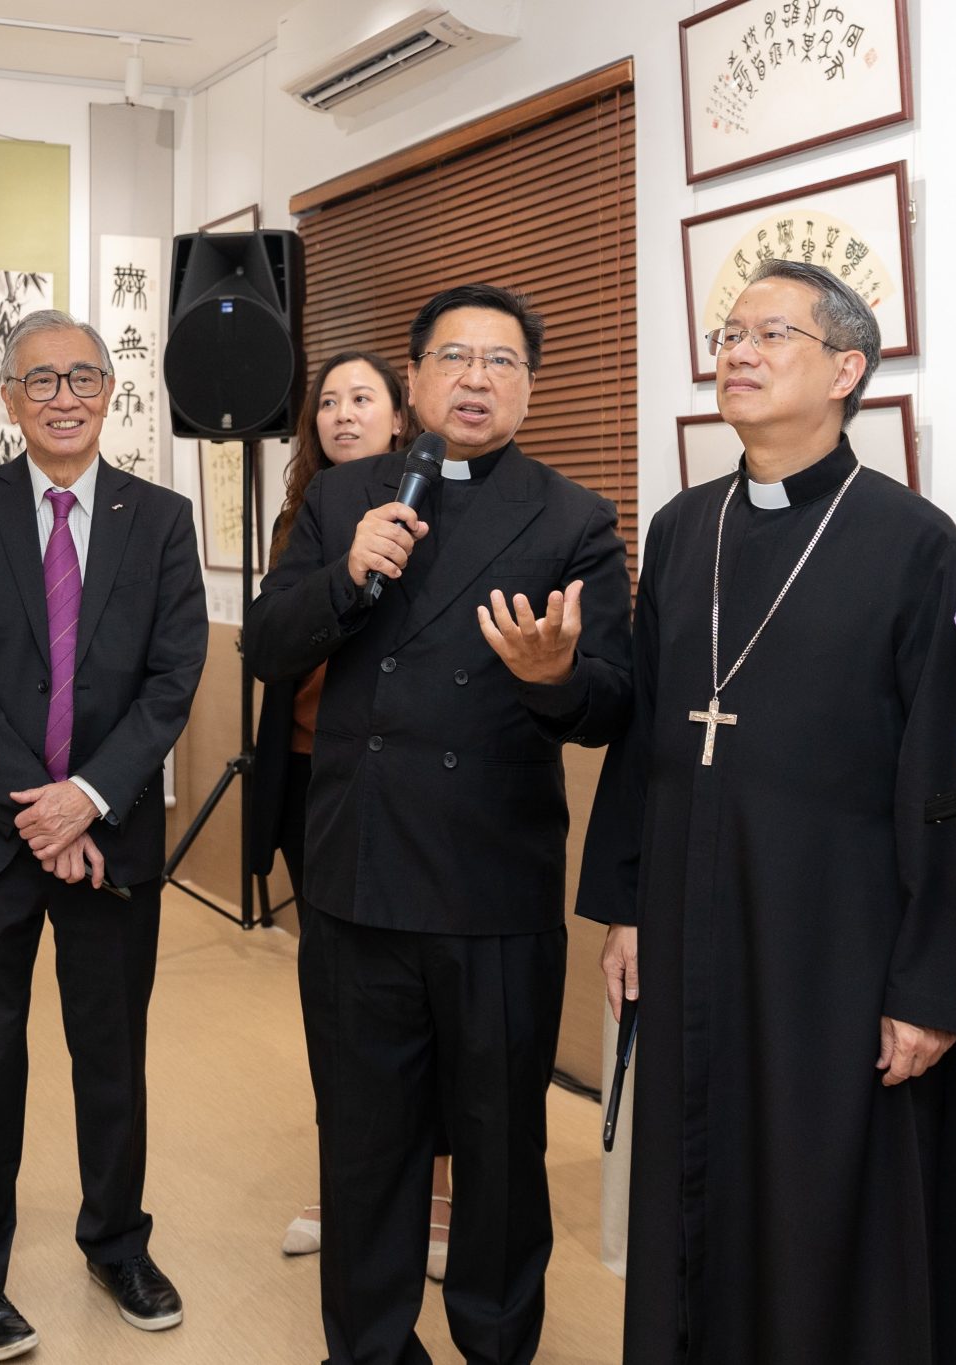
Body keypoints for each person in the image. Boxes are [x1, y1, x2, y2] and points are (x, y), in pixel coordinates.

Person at [577, 258, 956, 1364]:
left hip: (840, 940)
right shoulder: (680, 526)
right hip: (688, 911)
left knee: (824, 1193)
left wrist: (931, 984)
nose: (736, 353)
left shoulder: (916, 542)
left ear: (845, 370)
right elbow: (647, 732)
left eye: (769, 335)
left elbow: (943, 782)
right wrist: (626, 904)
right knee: (693, 1165)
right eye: (728, 335)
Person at [246, 284, 632, 1365]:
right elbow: (268, 647)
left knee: (499, 1149)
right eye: (453, 358)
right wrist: (344, 573)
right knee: (364, 1144)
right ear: (412, 380)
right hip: (356, 881)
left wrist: (555, 679)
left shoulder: (574, 518)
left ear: (529, 389)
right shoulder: (344, 500)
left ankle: (495, 1343)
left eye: (501, 362)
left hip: (490, 888)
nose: (475, 379)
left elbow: (614, 701)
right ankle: (368, 1347)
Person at [0, 309, 207, 1361]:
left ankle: (116, 1243)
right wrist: (40, 809)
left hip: (110, 833)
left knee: (111, 1052)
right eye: (40, 380)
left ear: (110, 391)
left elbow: (174, 674)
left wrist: (87, 795)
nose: (64, 397)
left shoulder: (159, 518)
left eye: (83, 377)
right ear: (9, 399)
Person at [252, 351, 455, 1282]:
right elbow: (272, 642)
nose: (341, 414)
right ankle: (350, 1184)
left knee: (424, 996)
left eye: (361, 398)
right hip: (311, 779)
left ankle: (437, 1188)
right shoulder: (308, 514)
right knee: (336, 1000)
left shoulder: (440, 507)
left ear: (401, 414)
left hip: (412, 788)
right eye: (327, 401)